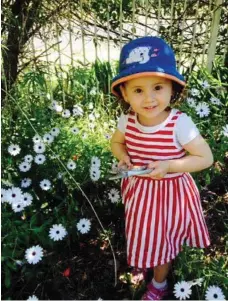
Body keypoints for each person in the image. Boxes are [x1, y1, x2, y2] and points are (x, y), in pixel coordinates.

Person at [110, 36, 213, 300]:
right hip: (139, 192)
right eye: (138, 90)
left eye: (157, 87)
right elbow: (116, 142)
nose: (149, 98)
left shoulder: (179, 123)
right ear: (124, 93)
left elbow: (205, 158)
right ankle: (144, 259)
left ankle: (159, 283)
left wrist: (170, 165)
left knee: (161, 240)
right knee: (141, 230)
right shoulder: (128, 120)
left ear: (171, 88)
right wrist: (123, 157)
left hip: (169, 195)